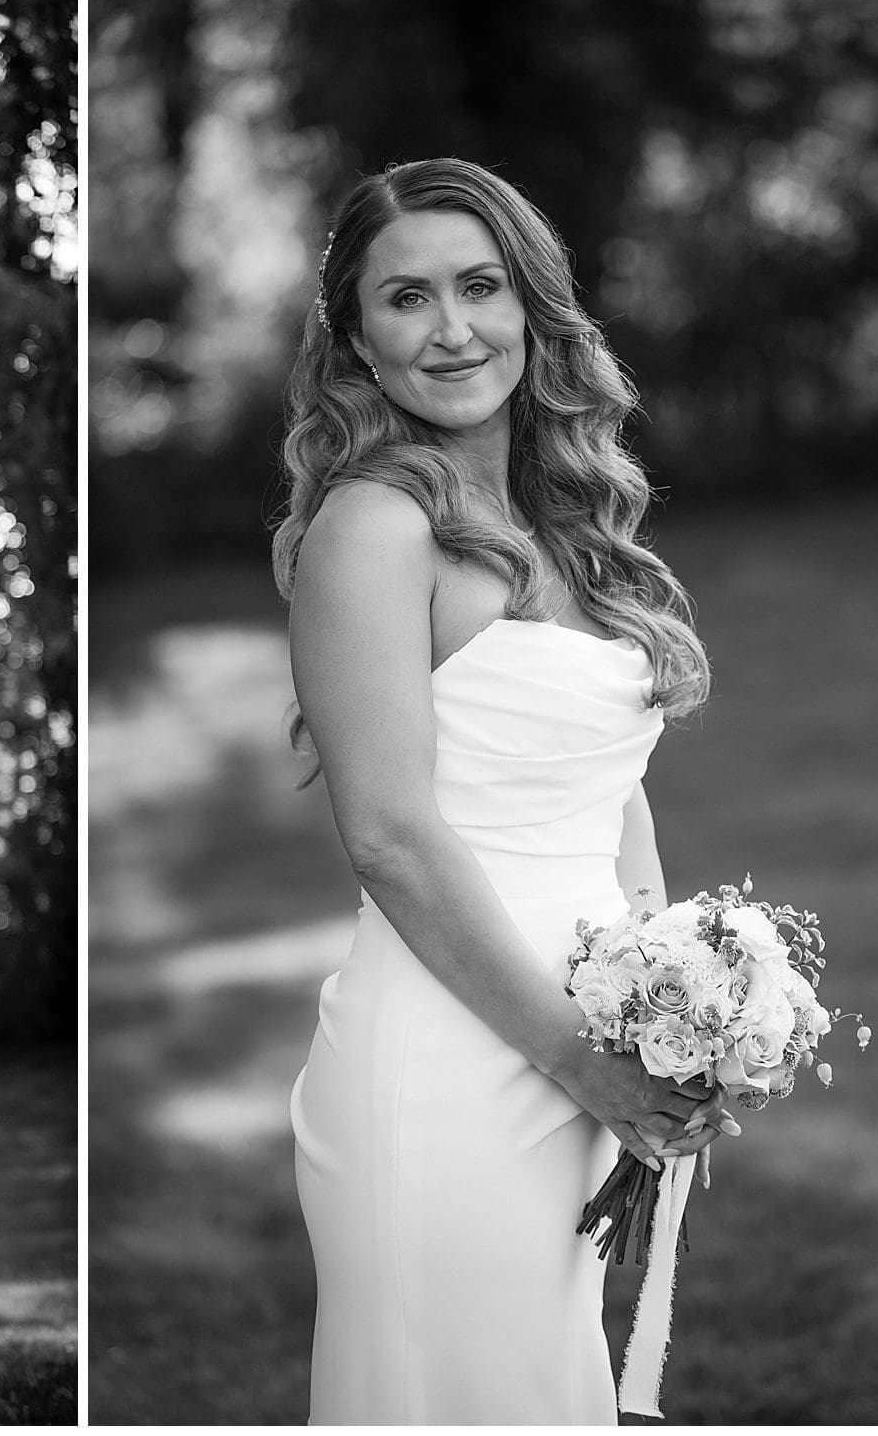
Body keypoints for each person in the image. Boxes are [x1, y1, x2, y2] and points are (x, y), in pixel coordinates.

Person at [280, 159, 734, 1424]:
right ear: (357, 340)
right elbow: (387, 833)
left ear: (532, 306)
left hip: (588, 1039)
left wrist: (675, 1009)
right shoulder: (374, 527)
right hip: (449, 1051)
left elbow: (611, 792)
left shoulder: (562, 516)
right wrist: (578, 1057)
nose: (450, 328)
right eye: (405, 298)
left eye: (478, 286)